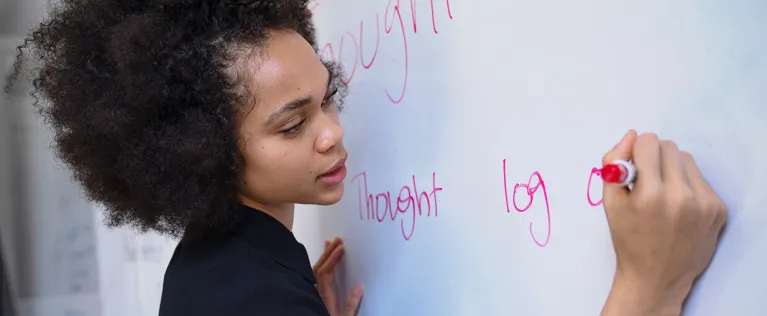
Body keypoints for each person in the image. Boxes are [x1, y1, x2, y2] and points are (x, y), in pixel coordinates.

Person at [6, 0, 727, 315]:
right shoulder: (244, 295)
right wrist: (646, 288)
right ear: (193, 153)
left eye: (326, 100)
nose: (332, 135)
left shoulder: (233, 262)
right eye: (292, 126)